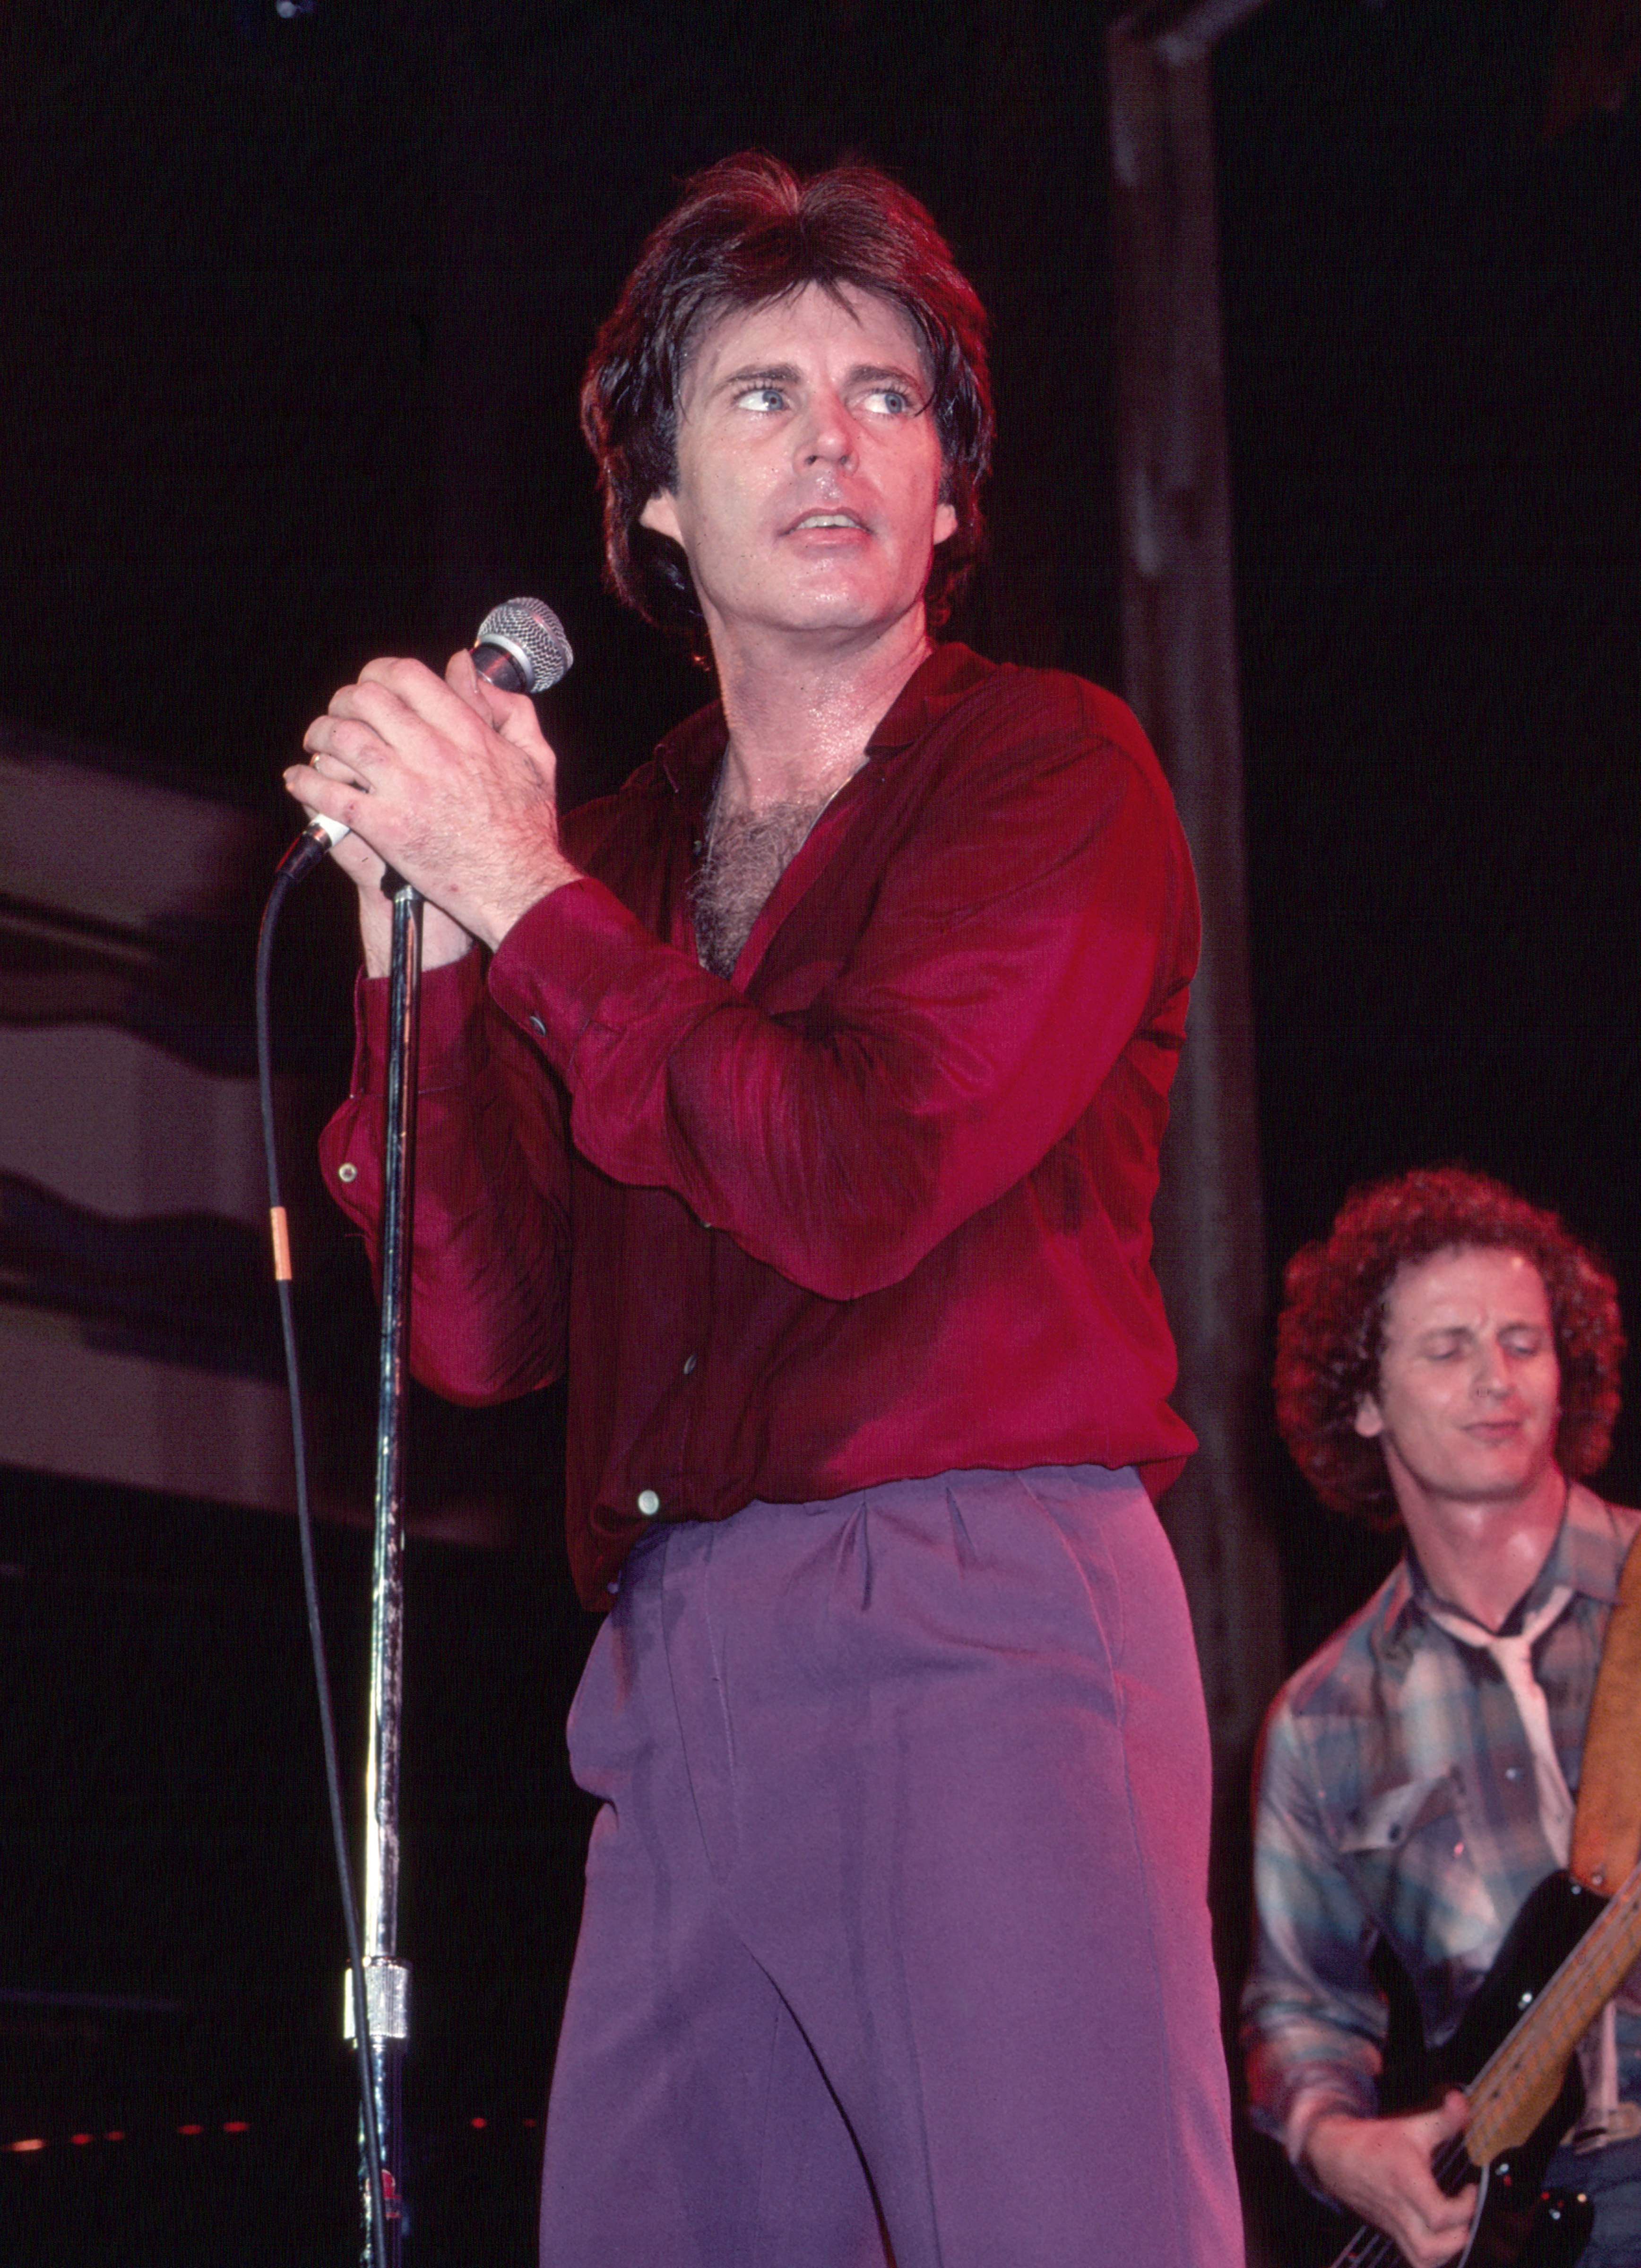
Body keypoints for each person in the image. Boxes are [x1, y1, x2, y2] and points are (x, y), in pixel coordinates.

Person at [285, 152, 1243, 2268]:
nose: (834, 435)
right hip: (670, 1655)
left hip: (979, 1611)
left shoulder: (1047, 772)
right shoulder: (603, 849)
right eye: (761, 393)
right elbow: (480, 1332)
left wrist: (517, 893)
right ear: (649, 500)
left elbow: (854, 1170)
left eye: (888, 396)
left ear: (950, 494)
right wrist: (421, 968)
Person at [1243, 1164, 1641, 2268]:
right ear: (1360, 1399)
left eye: (1522, 1341)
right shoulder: (1321, 1721)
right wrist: (1332, 2144)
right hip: (1520, 2224)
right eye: (1446, 1348)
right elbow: (1299, 2014)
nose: (1494, 1379)